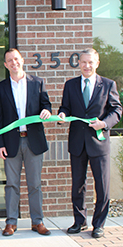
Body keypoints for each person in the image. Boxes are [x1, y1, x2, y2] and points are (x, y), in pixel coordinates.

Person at [58, 48, 122, 238]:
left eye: (90, 62)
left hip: (98, 143)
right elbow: (65, 108)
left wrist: (104, 123)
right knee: (78, 184)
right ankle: (79, 222)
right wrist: (62, 116)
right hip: (77, 143)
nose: (86, 66)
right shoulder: (70, 85)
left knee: (102, 186)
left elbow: (116, 110)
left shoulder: (108, 85)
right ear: (79, 63)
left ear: (97, 63)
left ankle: (99, 224)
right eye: (83, 62)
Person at [0, 48, 52, 236]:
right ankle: (10, 222)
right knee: (12, 184)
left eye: (16, 59)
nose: (13, 63)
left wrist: (47, 112)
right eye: (9, 60)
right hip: (11, 142)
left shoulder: (37, 83)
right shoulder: (0, 88)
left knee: (35, 184)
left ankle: (37, 221)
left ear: (22, 60)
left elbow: (46, 105)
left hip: (33, 141)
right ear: (5, 64)